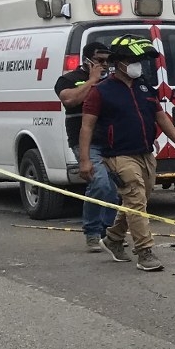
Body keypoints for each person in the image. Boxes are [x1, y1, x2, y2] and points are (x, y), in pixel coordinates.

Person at [77, 36, 175, 272]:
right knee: (135, 199)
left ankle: (113, 239)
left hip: (145, 153)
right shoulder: (101, 92)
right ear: (118, 62)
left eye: (139, 61)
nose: (137, 65)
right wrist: (85, 160)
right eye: (132, 60)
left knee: (136, 201)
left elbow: (161, 117)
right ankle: (145, 251)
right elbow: (87, 126)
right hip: (118, 155)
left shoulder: (144, 87)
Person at [54, 39, 118, 250]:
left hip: (111, 141)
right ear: (87, 60)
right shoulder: (68, 79)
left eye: (108, 61)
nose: (105, 65)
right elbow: (69, 100)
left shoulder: (113, 81)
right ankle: (92, 232)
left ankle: (108, 231)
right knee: (99, 183)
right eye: (100, 60)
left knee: (113, 189)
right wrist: (92, 80)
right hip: (85, 142)